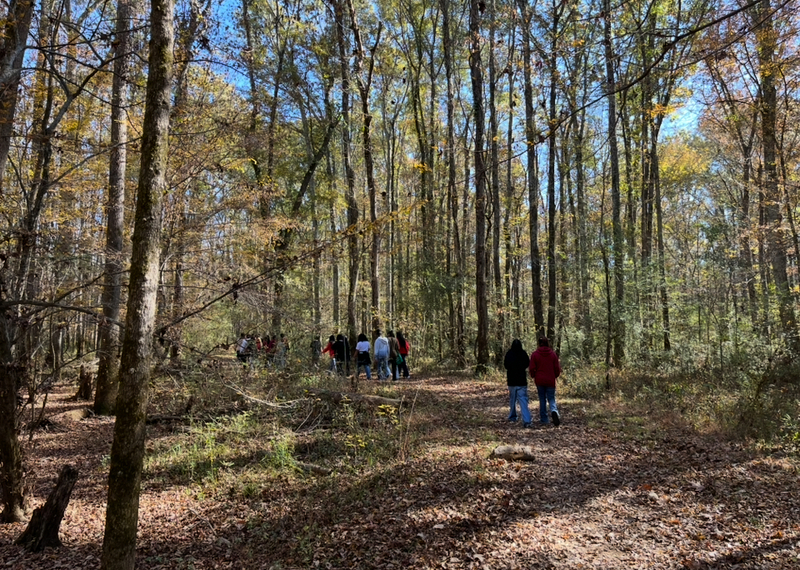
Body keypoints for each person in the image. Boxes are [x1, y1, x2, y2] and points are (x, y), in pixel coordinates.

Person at [529, 336, 562, 427]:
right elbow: (557, 369)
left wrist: (533, 375)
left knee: (542, 399)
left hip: (539, 380)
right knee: (551, 398)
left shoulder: (535, 354)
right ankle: (554, 411)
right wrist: (554, 376)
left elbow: (532, 368)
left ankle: (544, 419)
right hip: (550, 380)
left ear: (539, 344)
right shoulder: (553, 354)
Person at [504, 339, 532, 427]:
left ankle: (512, 416)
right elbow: (527, 363)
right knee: (523, 400)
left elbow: (505, 365)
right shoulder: (523, 353)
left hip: (512, 381)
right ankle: (527, 420)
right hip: (521, 381)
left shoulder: (509, 354)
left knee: (512, 399)